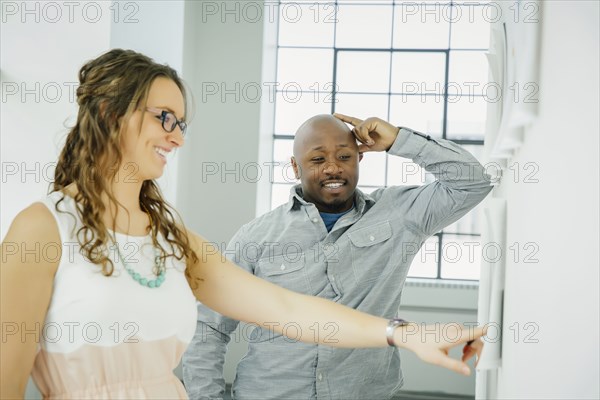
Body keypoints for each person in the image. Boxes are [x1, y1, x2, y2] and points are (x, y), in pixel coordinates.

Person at [0, 49, 487, 400]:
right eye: (165, 118)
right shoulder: (42, 229)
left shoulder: (170, 237)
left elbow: (284, 308)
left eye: (182, 124)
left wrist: (402, 334)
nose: (177, 138)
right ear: (110, 113)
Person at [183, 114, 493, 399]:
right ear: (295, 166)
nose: (333, 167)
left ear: (360, 157)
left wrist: (398, 139)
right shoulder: (256, 236)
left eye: (344, 156)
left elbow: (473, 183)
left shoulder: (400, 214)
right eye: (318, 159)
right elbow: (209, 326)